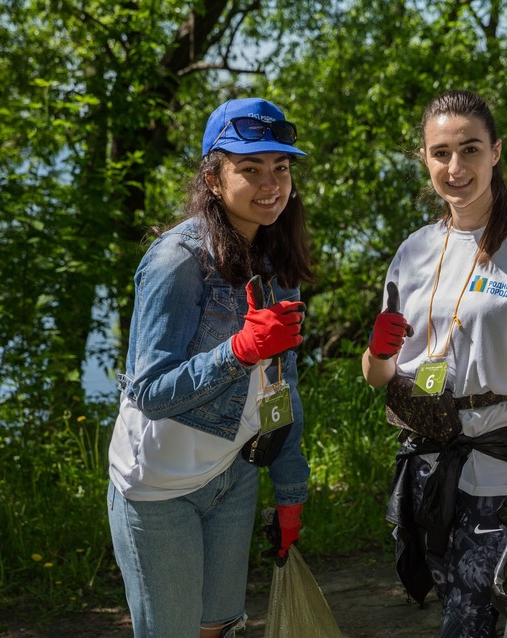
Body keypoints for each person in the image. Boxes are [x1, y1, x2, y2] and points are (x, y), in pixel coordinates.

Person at [361, 90, 507, 637]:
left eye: (469, 149)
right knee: (456, 611)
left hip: (500, 473)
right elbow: (379, 378)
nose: (455, 166)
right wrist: (377, 352)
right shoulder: (413, 250)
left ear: (496, 153)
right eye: (441, 153)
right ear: (425, 159)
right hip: (423, 468)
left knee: (474, 623)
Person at [107, 97, 316, 638]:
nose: (271, 183)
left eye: (281, 167)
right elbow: (150, 391)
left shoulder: (275, 259)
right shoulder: (175, 261)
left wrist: (290, 490)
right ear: (214, 179)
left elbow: (283, 382)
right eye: (250, 168)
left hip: (234, 469)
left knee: (220, 629)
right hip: (157, 487)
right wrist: (240, 350)